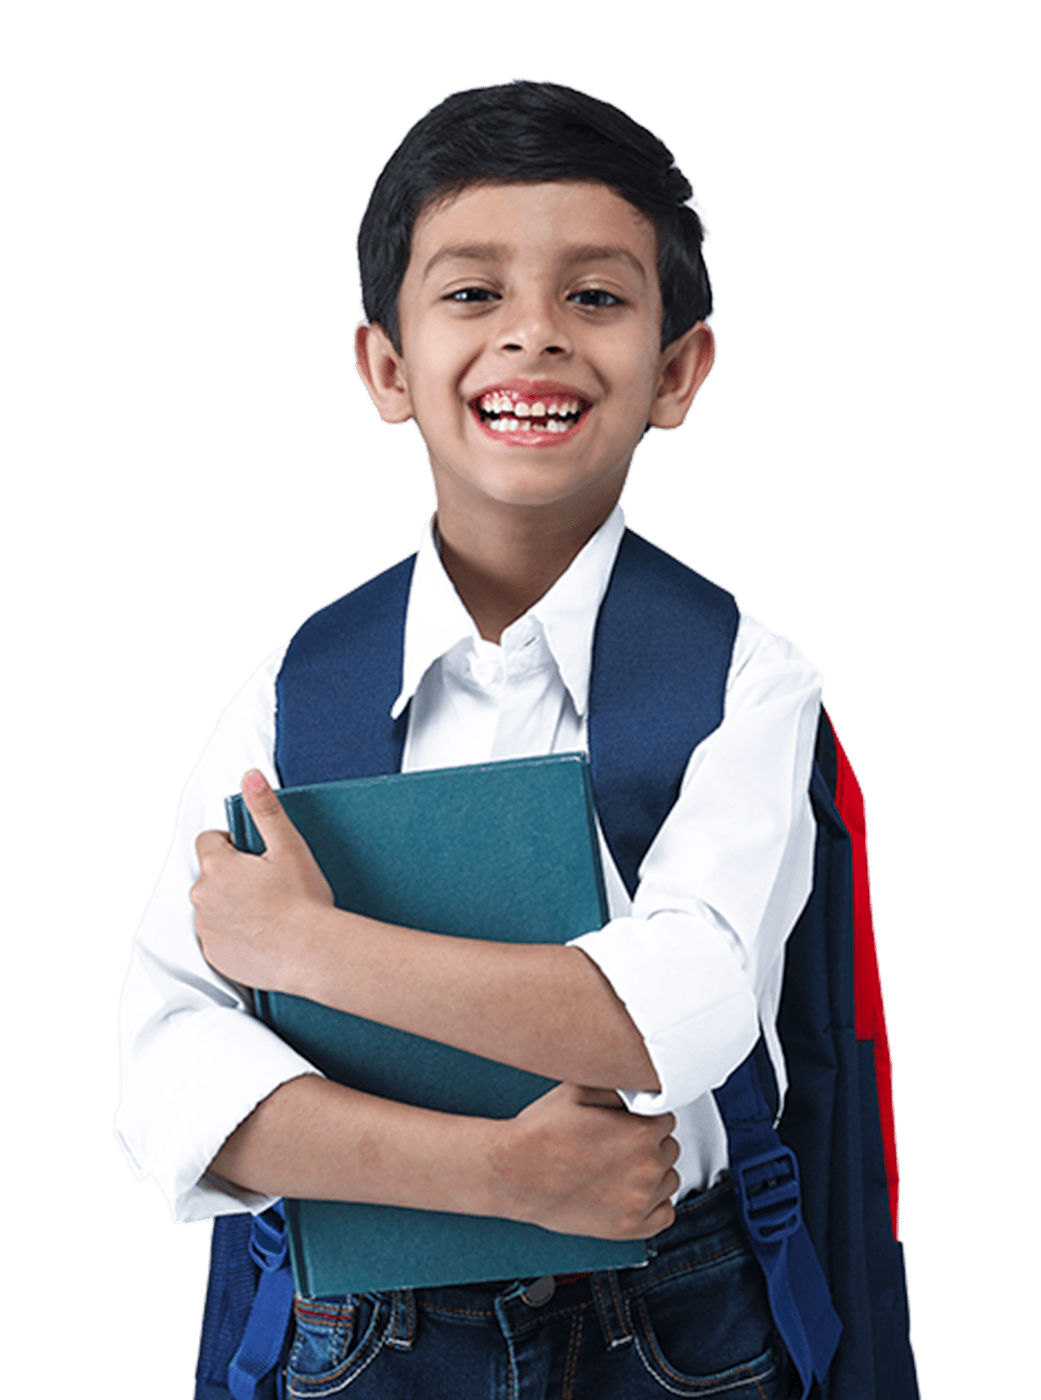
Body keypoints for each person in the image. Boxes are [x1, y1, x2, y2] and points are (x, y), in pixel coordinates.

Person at [116, 79, 913, 1399]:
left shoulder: (745, 682)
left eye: (594, 296)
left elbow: (672, 1017)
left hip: (675, 1329)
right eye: (472, 294)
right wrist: (498, 1175)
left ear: (678, 369)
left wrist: (305, 948)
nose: (532, 337)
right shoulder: (289, 696)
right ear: (386, 366)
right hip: (363, 1338)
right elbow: (174, 1078)